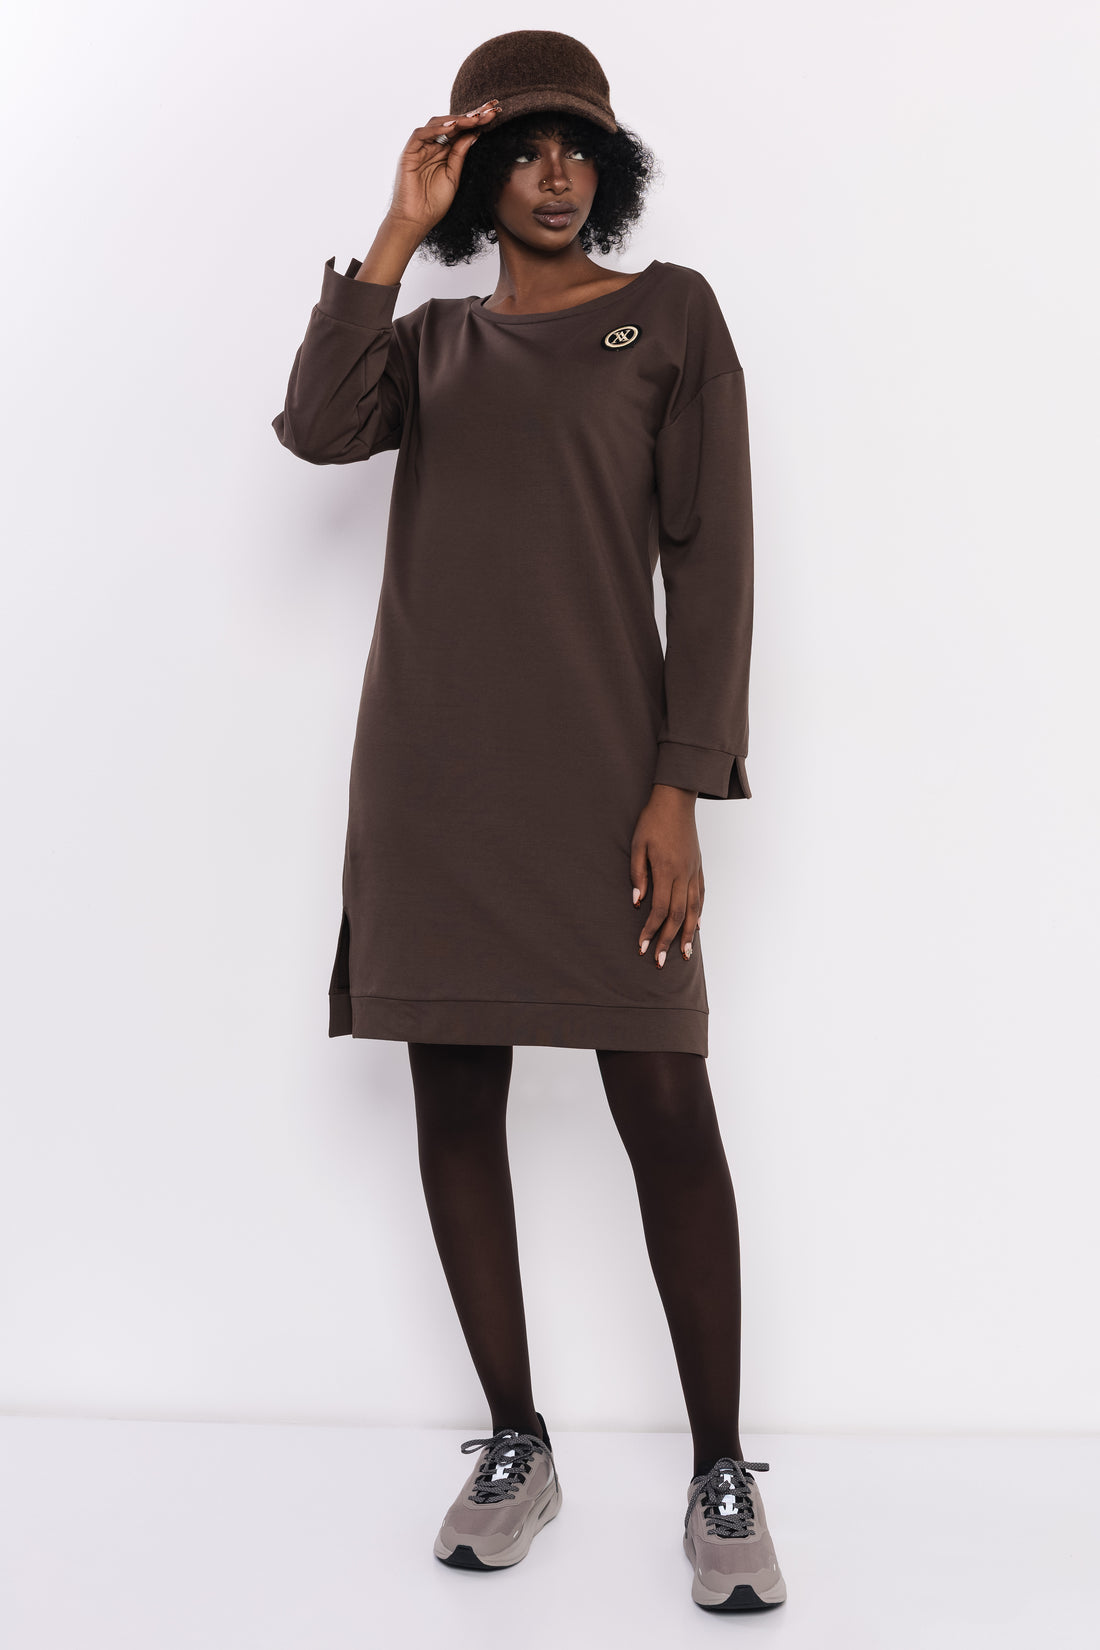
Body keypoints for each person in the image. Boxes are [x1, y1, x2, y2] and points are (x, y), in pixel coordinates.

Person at [272, 28, 786, 1614]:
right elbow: (315, 424)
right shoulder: (427, 347)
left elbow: (714, 561)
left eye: (580, 148)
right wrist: (394, 231)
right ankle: (517, 1439)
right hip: (431, 782)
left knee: (666, 1100)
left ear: (608, 169)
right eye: (523, 148)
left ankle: (720, 1466)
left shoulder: (670, 316)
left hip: (610, 787)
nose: (555, 174)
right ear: (481, 168)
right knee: (454, 1098)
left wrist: (682, 783)